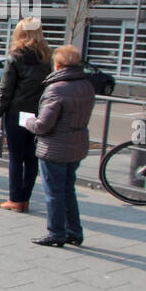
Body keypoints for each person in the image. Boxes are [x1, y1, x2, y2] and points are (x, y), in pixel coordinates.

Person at [25, 45, 95, 248]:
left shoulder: (56, 88)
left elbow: (43, 125)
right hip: (77, 145)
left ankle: (56, 233)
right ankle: (74, 231)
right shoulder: (86, 85)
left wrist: (28, 122)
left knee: (53, 192)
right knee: (67, 190)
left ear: (57, 64)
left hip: (55, 147)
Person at [0, 17, 51, 212]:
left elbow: (5, 91)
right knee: (32, 158)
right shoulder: (46, 57)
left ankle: (14, 199)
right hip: (38, 113)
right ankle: (25, 199)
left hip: (16, 113)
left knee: (16, 158)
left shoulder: (15, 56)